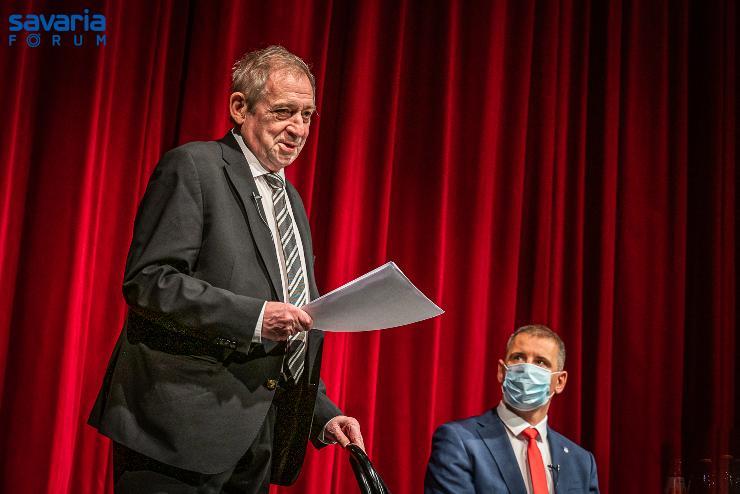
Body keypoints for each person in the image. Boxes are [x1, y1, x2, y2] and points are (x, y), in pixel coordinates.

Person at [89, 45, 364, 493]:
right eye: (283, 112)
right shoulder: (194, 167)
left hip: (256, 436)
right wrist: (256, 317)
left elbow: (297, 316)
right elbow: (150, 281)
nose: (298, 128)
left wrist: (321, 412)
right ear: (240, 107)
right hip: (177, 432)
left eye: (307, 115)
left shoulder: (291, 202)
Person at [424, 324, 599, 493]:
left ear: (560, 381)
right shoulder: (459, 441)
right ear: (502, 371)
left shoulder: (582, 462)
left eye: (540, 362)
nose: (527, 369)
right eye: (518, 358)